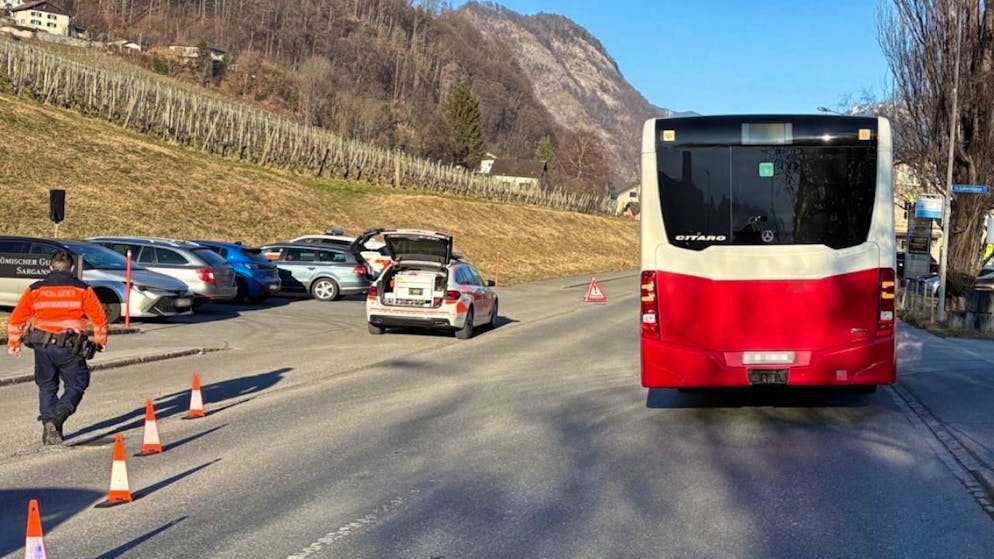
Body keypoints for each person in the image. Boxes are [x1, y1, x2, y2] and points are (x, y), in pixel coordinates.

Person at [7, 251, 108, 445]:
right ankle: (58, 417)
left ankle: (49, 427)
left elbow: (17, 318)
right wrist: (100, 341)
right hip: (70, 346)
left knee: (46, 386)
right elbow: (99, 318)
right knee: (77, 384)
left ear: (50, 267)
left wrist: (14, 344)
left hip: (42, 345)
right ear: (71, 268)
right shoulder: (82, 289)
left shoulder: (35, 289)